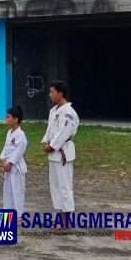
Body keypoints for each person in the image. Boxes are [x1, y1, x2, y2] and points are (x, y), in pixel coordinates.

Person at [41, 81, 79, 225]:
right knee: (55, 185)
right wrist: (45, 142)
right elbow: (50, 130)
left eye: (52, 92)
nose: (50, 94)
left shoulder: (68, 112)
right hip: (53, 153)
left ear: (60, 93)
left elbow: (65, 132)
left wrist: (52, 146)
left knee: (64, 185)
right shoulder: (54, 110)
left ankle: (66, 218)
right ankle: (60, 213)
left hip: (63, 152)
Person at [0, 105, 28, 215]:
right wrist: (3, 161)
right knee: (7, 191)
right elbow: (5, 148)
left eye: (8, 117)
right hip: (8, 167)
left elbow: (19, 150)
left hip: (16, 167)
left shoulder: (21, 135)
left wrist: (10, 163)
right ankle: (8, 212)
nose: (6, 119)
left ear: (16, 119)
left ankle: (19, 214)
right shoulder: (9, 133)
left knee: (17, 191)